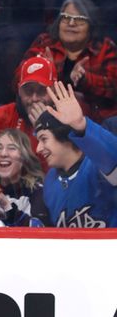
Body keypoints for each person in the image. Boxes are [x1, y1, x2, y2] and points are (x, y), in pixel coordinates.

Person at [34, 81, 117, 228]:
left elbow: (112, 158)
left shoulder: (99, 164)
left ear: (63, 135)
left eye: (44, 139)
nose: (38, 148)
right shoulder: (50, 182)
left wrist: (82, 125)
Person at [22, 0, 117, 122]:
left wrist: (85, 80)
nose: (71, 24)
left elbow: (113, 88)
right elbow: (18, 81)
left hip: (94, 121)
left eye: (79, 19)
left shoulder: (104, 47)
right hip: (45, 113)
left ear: (91, 25)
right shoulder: (45, 43)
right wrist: (47, 72)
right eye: (66, 18)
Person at [0, 54, 56, 171]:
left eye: (41, 91)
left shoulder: (65, 119)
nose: (34, 98)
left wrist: (44, 130)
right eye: (28, 91)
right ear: (19, 91)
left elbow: (59, 171)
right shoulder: (1, 116)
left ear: (54, 91)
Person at [0, 128, 50, 227]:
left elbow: (39, 233)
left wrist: (7, 206)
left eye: (12, 148)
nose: (3, 154)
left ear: (24, 157)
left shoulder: (38, 192)